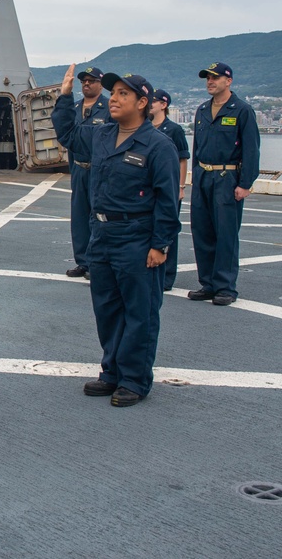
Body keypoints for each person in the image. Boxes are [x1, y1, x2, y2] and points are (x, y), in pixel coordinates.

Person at [52, 69, 179, 407]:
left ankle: (135, 380)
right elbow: (66, 133)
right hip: (102, 234)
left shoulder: (158, 146)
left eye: (124, 94)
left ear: (143, 102)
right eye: (115, 93)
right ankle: (111, 372)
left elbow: (168, 200)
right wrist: (65, 97)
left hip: (137, 237)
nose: (116, 99)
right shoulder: (102, 136)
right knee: (107, 308)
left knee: (140, 311)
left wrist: (160, 244)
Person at [187, 62, 261, 306]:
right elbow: (197, 147)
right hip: (203, 176)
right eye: (207, 78)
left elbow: (251, 150)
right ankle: (208, 283)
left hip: (227, 178)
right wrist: (195, 175)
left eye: (215, 78)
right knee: (202, 231)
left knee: (226, 234)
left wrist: (245, 183)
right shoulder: (202, 110)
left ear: (228, 81)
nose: (210, 81)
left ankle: (225, 287)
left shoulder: (241, 110)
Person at [59, 66, 111, 279]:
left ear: (101, 83)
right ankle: (82, 261)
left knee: (99, 217)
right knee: (79, 217)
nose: (87, 84)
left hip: (100, 171)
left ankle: (97, 262)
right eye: (83, 81)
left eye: (91, 80)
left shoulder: (109, 107)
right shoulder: (74, 107)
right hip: (80, 169)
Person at [150, 89, 189, 291]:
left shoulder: (174, 130)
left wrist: (180, 186)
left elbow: (183, 160)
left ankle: (167, 276)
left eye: (154, 101)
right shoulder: (146, 127)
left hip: (171, 186)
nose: (150, 104)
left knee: (168, 230)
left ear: (164, 104)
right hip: (152, 187)